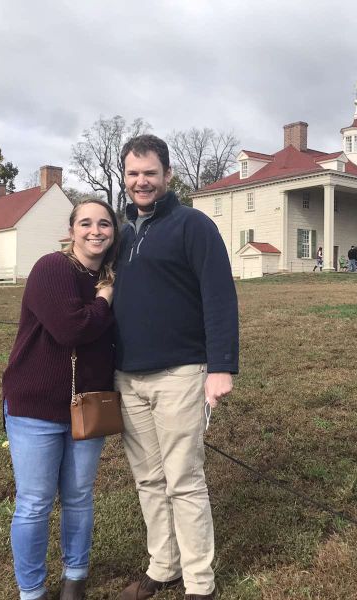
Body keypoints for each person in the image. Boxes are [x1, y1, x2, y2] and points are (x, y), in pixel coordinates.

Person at [113, 134, 239, 600]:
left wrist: (221, 366)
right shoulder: (122, 233)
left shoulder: (193, 226)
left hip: (181, 373)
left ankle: (199, 583)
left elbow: (219, 297)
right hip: (127, 376)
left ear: (167, 175)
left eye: (150, 172)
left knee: (184, 480)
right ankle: (162, 566)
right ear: (124, 178)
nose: (141, 181)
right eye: (133, 173)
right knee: (148, 479)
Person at [2, 199, 119, 600]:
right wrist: (104, 299)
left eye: (105, 224)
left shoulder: (109, 275)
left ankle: (75, 577)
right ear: (71, 230)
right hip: (36, 405)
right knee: (34, 502)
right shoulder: (52, 267)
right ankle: (32, 590)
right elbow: (72, 328)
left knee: (79, 496)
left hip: (88, 403)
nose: (95, 230)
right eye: (85, 223)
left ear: (114, 233)